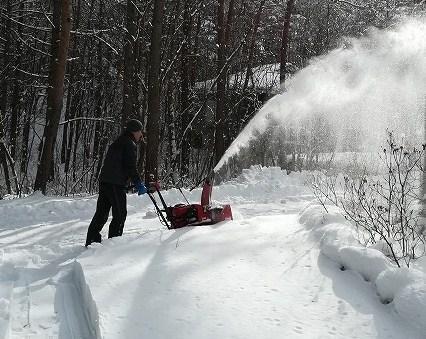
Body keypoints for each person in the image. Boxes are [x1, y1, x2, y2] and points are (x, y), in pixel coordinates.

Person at [85, 119, 147, 246]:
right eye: (140, 131)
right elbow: (130, 166)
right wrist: (138, 183)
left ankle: (91, 240)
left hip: (105, 181)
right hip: (115, 184)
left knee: (101, 213)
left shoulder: (118, 141)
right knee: (120, 214)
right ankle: (114, 243)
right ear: (135, 131)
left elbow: (116, 164)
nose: (141, 135)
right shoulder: (130, 144)